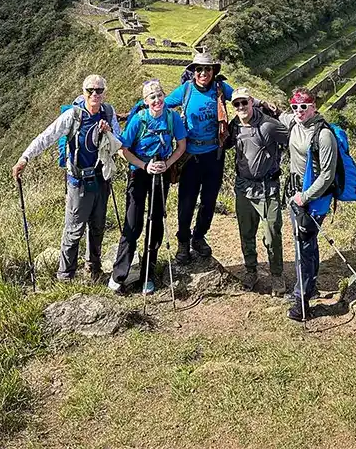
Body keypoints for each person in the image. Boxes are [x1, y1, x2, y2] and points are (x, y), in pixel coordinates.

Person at [12, 74, 121, 282]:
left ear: (104, 93)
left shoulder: (108, 112)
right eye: (90, 90)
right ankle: (65, 275)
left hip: (101, 179)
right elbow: (47, 136)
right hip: (78, 181)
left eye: (99, 90)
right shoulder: (73, 116)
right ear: (83, 92)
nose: (94, 94)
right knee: (74, 230)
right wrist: (24, 158)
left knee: (98, 226)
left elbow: (119, 141)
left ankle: (93, 268)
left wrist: (109, 134)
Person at [109, 79, 186, 294]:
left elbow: (182, 146)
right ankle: (119, 274)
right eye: (152, 96)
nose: (157, 99)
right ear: (145, 101)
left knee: (156, 223)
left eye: (159, 94)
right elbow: (124, 150)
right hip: (139, 174)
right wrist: (144, 166)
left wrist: (167, 163)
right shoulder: (138, 120)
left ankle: (147, 274)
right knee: (133, 223)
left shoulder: (172, 118)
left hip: (160, 174)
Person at [164, 50, 234, 263]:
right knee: (187, 200)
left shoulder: (220, 89)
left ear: (213, 71)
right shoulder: (185, 90)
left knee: (209, 200)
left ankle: (199, 236)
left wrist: (264, 105)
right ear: (193, 72)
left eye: (207, 69)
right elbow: (161, 105)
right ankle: (183, 241)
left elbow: (242, 98)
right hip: (190, 156)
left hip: (214, 154)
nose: (203, 73)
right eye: (199, 69)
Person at [280, 87, 338, 322]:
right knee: (308, 242)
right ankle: (310, 288)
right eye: (294, 106)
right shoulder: (294, 122)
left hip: (314, 198)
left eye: (303, 106)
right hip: (296, 194)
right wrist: (251, 101)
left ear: (314, 106)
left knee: (302, 246)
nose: (299, 111)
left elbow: (327, 175)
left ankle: (301, 302)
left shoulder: (323, 135)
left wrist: (305, 197)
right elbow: (275, 113)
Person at [224, 87, 289, 296]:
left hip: (268, 187)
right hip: (244, 187)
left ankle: (277, 275)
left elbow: (292, 140)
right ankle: (251, 271)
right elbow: (224, 144)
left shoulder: (268, 126)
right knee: (246, 232)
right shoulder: (235, 126)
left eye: (244, 102)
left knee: (272, 233)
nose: (241, 107)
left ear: (251, 102)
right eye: (237, 104)